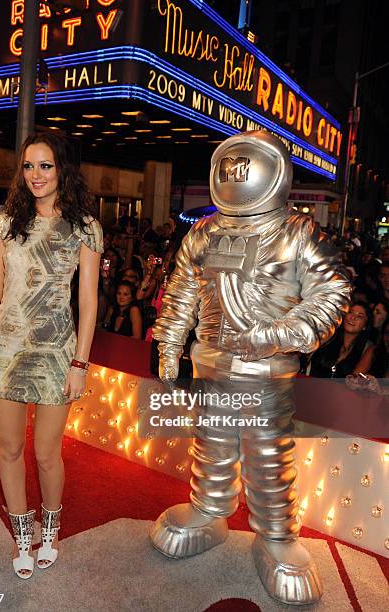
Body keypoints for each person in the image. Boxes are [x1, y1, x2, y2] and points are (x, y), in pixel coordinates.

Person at [150, 131, 350, 605]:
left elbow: (331, 295)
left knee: (267, 455)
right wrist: (169, 342)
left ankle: (277, 535)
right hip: (212, 362)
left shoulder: (299, 233)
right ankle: (208, 510)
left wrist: (274, 335)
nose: (235, 175)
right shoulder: (204, 232)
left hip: (266, 369)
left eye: (244, 167)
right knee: (212, 443)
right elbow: (182, 290)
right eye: (230, 167)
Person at [0, 133, 103, 580]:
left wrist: (80, 363)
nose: (36, 175)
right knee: (9, 449)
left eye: (45, 166)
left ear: (62, 168)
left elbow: (88, 301)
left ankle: (51, 526)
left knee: (47, 453)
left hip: (56, 354)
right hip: (7, 350)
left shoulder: (84, 226)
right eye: (28, 166)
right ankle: (22, 536)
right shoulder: (7, 222)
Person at [308, 302, 372, 378]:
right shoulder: (327, 335)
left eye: (359, 316)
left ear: (365, 326)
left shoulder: (366, 348)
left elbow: (356, 378)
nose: (352, 317)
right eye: (350, 312)